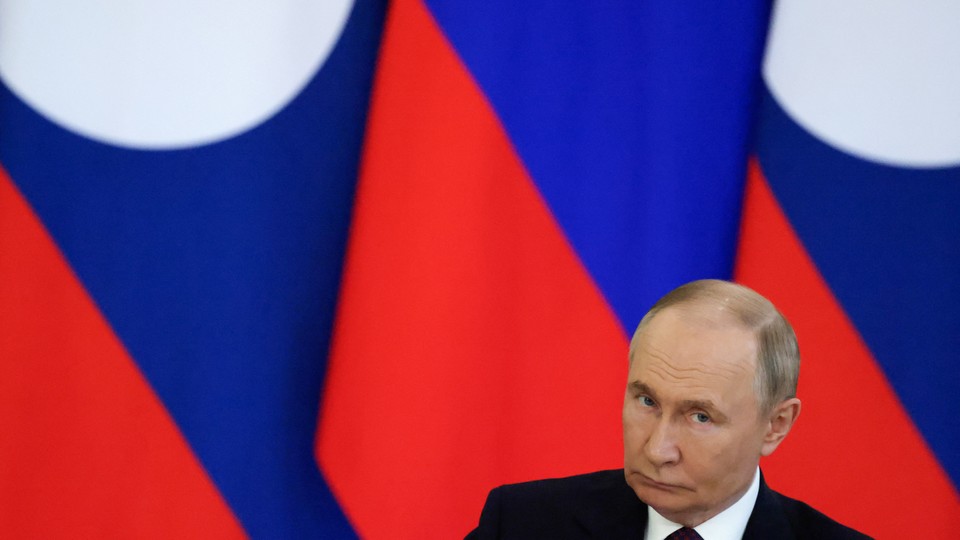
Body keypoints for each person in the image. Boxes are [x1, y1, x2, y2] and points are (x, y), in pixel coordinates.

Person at [466, 279, 870, 539]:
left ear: (776, 425)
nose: (658, 450)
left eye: (700, 417)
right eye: (647, 401)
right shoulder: (521, 524)